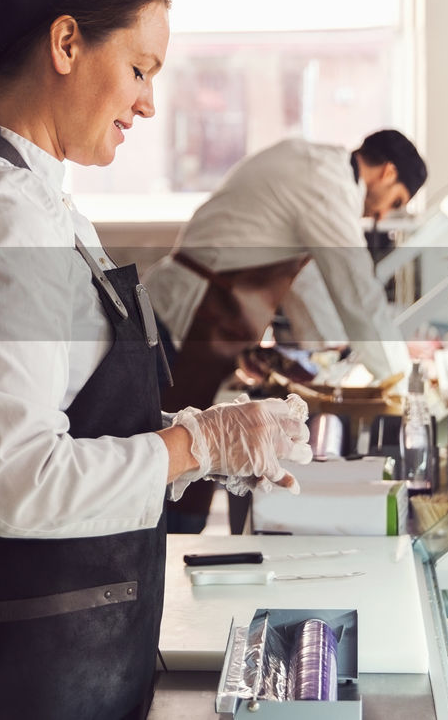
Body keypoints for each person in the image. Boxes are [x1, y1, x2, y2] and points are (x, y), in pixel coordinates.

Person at [0, 0, 313, 720]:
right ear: (66, 44)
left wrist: (206, 445)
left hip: (54, 619)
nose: (149, 103)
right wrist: (194, 443)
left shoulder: (38, 200)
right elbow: (21, 482)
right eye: (140, 68)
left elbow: (72, 413)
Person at [143, 131, 427, 533]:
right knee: (171, 467)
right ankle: (162, 565)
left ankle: (169, 555)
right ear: (387, 171)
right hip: (185, 321)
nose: (381, 216)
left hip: (197, 321)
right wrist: (401, 382)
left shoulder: (316, 165)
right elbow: (357, 294)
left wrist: (331, 353)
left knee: (188, 462)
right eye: (395, 201)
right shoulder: (324, 184)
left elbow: (308, 283)